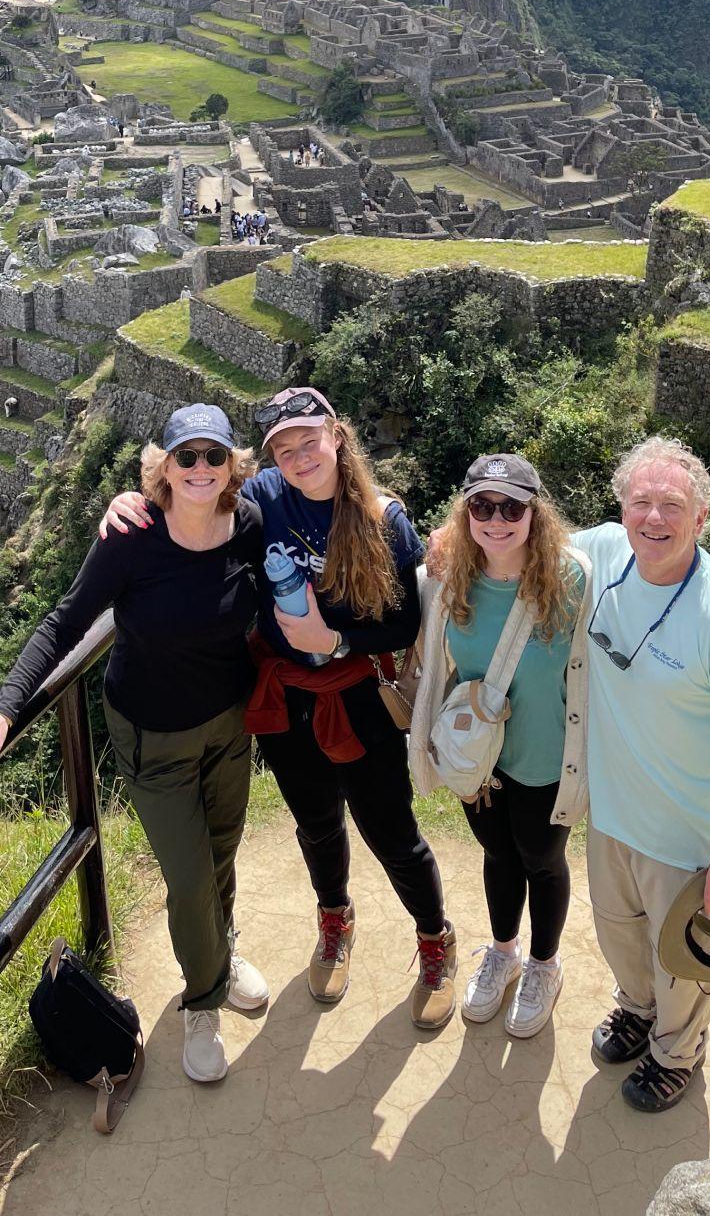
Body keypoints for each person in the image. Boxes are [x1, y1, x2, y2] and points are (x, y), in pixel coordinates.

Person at [99, 387, 458, 1030]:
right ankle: (335, 920)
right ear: (270, 459)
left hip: (359, 695)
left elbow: (406, 621)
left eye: (309, 441)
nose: (299, 457)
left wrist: (338, 639)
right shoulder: (263, 498)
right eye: (284, 448)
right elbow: (195, 497)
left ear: (336, 437)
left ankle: (435, 943)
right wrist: (133, 501)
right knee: (317, 823)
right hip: (288, 694)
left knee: (391, 832)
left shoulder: (381, 518)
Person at [0, 406, 269, 1084]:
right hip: (153, 734)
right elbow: (66, 620)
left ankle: (220, 950)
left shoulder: (250, 525)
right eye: (187, 458)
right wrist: (6, 705)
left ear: (232, 464)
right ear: (164, 469)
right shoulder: (134, 534)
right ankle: (202, 1005)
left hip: (230, 723)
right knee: (188, 874)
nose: (202, 469)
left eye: (214, 456)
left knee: (223, 850)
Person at [573, 435, 710, 1112]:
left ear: (701, 520)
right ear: (622, 509)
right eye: (642, 502)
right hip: (611, 815)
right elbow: (518, 542)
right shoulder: (606, 553)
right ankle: (636, 1012)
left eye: (672, 505)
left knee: (684, 963)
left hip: (688, 838)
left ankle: (676, 1051)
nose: (654, 518)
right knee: (620, 934)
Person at [410, 455, 590, 1038]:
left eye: (512, 507)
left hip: (543, 753)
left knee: (541, 855)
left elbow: (628, 536)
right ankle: (504, 951)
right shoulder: (446, 576)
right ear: (465, 514)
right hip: (477, 757)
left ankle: (544, 964)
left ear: (535, 514)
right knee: (497, 852)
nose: (497, 520)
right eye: (482, 507)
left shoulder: (573, 578)